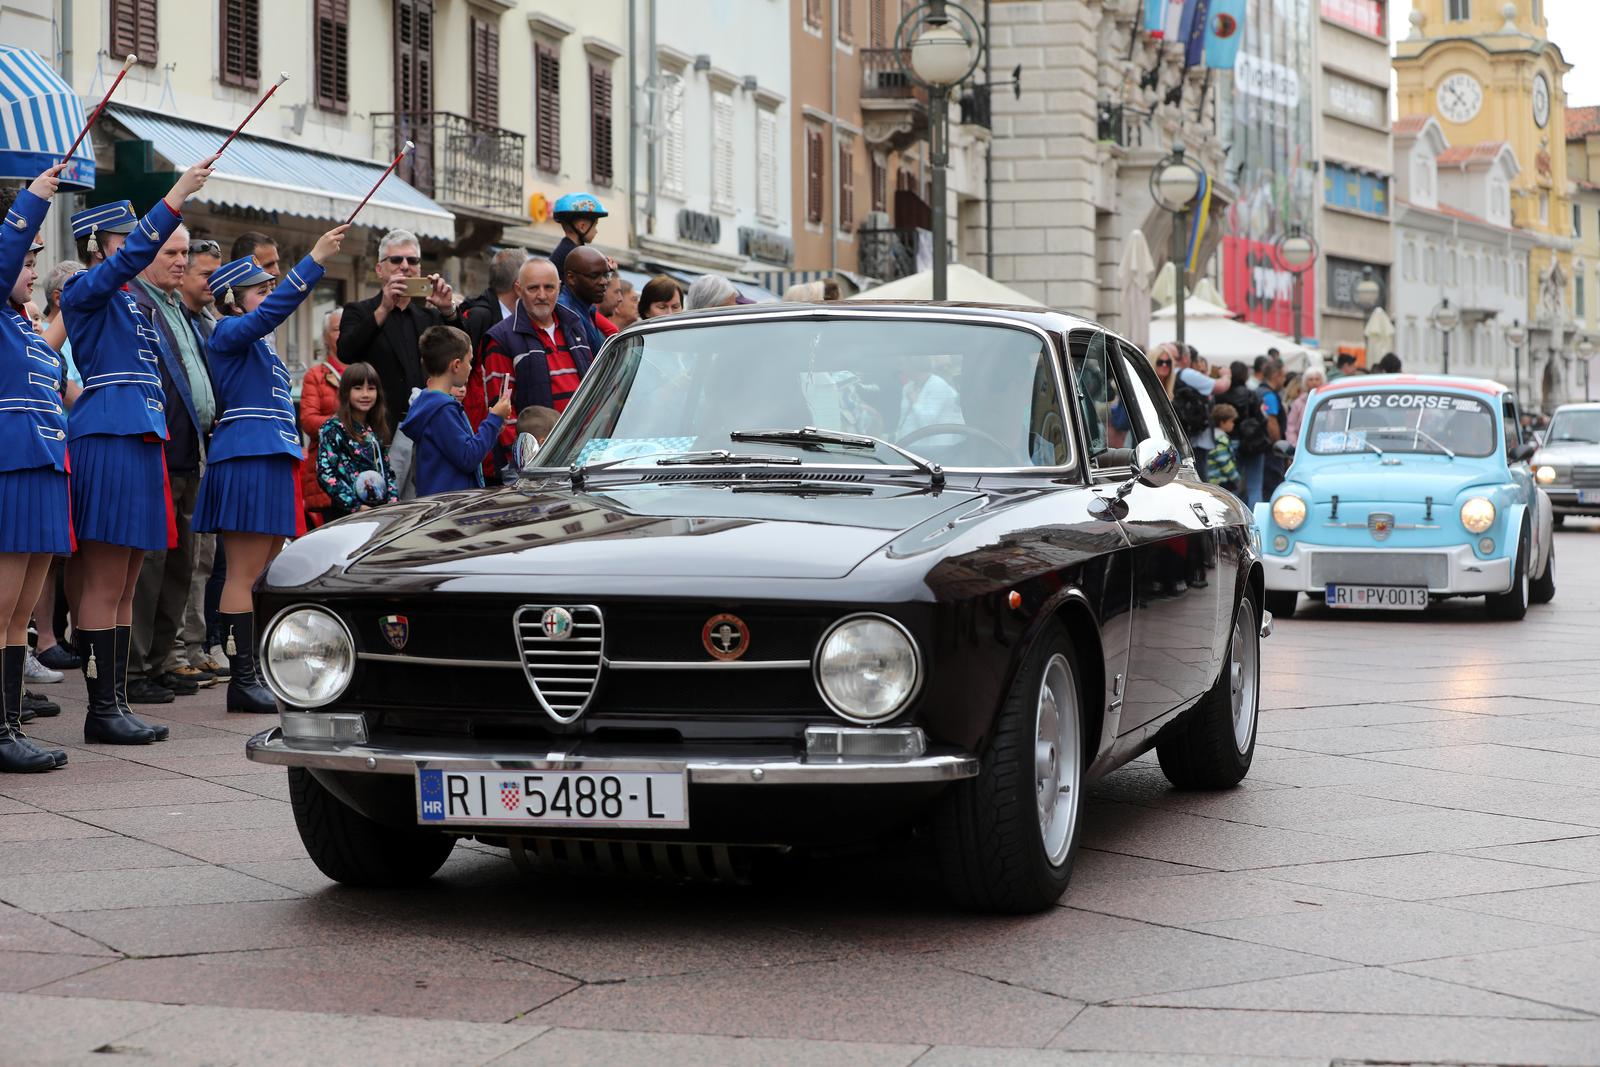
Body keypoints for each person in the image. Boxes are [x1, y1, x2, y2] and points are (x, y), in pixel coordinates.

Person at [62, 157, 216, 746]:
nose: (138, 246)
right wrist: (176, 195)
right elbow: (130, 261)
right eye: (125, 239)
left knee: (127, 582)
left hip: (142, 437)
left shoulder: (132, 302)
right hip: (108, 434)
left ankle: (116, 699)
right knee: (105, 583)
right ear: (100, 246)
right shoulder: (85, 287)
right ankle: (101, 707)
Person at [193, 224, 350, 713]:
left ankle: (256, 671)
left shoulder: (256, 342)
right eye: (260, 289)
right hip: (245, 455)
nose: (270, 294)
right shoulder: (229, 332)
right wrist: (315, 261)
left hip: (270, 455)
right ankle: (242, 680)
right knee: (242, 574)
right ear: (234, 299)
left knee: (261, 573)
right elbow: (276, 311)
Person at [0, 166, 72, 773]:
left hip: (44, 464)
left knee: (20, 614)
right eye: (25, 261)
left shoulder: (25, 329)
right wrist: (31, 201)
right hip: (12, 467)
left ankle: (8, 723)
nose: (31, 270)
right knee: (2, 607)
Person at [127, 223, 218, 702]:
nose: (181, 261)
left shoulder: (175, 308)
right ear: (146, 254)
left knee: (181, 566)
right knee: (150, 567)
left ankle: (162, 661)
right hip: (159, 453)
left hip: (190, 454)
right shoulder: (138, 303)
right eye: (173, 252)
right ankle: (135, 669)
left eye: (185, 252)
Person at [338, 228, 460, 430]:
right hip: (378, 426)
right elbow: (346, 352)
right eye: (396, 260)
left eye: (412, 261)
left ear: (419, 269)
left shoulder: (430, 317)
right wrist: (384, 309)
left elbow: (461, 354)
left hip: (426, 425)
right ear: (379, 270)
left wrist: (448, 311)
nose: (405, 266)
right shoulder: (359, 311)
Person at [480, 259, 596, 467]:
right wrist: (525, 460)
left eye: (549, 287)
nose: (542, 295)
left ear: (559, 288)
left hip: (584, 453)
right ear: (519, 289)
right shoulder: (501, 338)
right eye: (533, 288)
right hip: (536, 463)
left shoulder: (576, 326)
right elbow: (501, 411)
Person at [398, 326, 512, 497]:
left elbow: (462, 450)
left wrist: (494, 428)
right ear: (457, 365)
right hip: (449, 508)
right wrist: (494, 419)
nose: (471, 367)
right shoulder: (441, 409)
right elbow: (468, 457)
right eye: (470, 361)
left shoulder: (430, 403)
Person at [316, 362, 397, 518]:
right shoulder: (333, 428)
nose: (365, 394)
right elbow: (326, 474)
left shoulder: (375, 427)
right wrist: (356, 506)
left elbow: (387, 470)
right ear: (346, 392)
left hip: (380, 513)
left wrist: (392, 504)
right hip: (346, 515)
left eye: (371, 389)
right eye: (358, 388)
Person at [299, 309, 346, 525]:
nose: (343, 333)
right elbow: (308, 421)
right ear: (326, 337)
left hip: (362, 472)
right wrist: (343, 423)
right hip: (330, 470)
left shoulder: (364, 371)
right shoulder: (315, 375)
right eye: (337, 329)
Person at [1169, 343, 1229, 480]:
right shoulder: (1186, 373)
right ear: (1186, 359)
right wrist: (1226, 375)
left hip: (1181, 434)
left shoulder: (1172, 374)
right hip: (1196, 437)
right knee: (1199, 477)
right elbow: (1220, 386)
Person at [557, 246, 612, 355]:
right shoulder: (565, 313)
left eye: (606, 275)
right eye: (594, 276)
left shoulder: (587, 309)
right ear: (571, 278)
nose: (604, 282)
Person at [548, 192, 608, 276]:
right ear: (582, 227)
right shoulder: (574, 255)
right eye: (595, 225)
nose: (596, 231)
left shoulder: (567, 249)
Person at [1206, 404, 1241, 496]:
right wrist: (1236, 477)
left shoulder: (1213, 436)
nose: (1233, 424)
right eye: (1231, 421)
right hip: (1219, 481)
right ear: (1222, 422)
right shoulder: (1220, 439)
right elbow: (1224, 461)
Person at [1287, 366, 1324, 447]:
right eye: (1311, 379)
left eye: (1317, 379)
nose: (1314, 382)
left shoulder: (1328, 401)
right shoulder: (1298, 403)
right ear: (1305, 382)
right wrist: (1294, 445)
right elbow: (1291, 426)